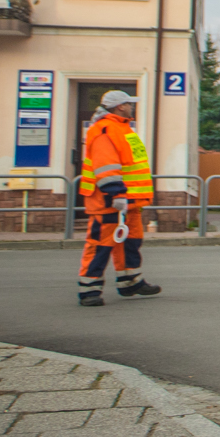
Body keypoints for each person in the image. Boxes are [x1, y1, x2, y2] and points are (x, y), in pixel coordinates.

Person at [76, 90, 162, 306]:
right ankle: (89, 289)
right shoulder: (105, 129)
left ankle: (130, 281)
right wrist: (116, 193)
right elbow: (106, 166)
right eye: (128, 103)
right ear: (120, 107)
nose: (132, 106)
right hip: (110, 200)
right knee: (100, 244)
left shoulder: (122, 128)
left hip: (129, 200)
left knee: (130, 242)